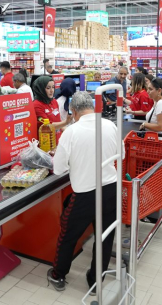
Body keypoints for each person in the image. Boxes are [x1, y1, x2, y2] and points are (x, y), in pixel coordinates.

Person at [47, 92, 118, 293]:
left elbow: (59, 168)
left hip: (85, 194)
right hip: (111, 190)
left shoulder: (71, 131)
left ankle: (58, 275)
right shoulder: (110, 125)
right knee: (105, 237)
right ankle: (96, 281)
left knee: (68, 234)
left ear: (73, 111)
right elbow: (118, 154)